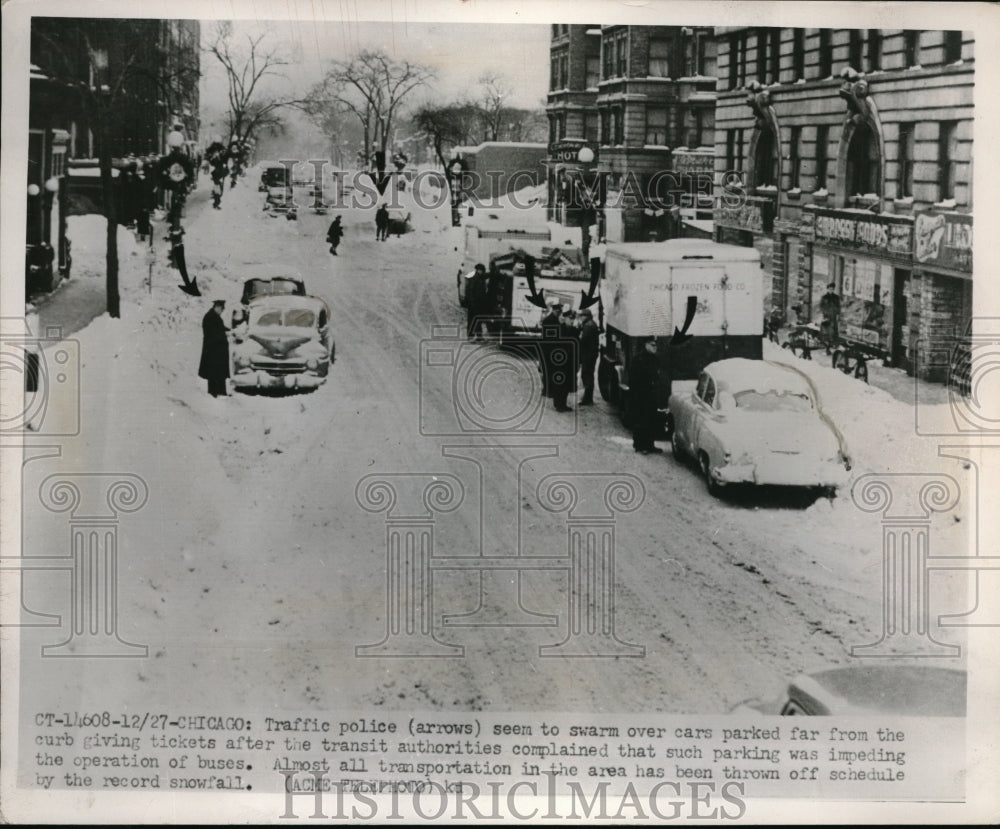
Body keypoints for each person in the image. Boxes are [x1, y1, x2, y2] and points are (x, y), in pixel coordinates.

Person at [630, 339, 663, 454]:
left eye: (656, 345)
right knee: (641, 419)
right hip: (641, 395)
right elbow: (633, 379)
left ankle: (650, 444)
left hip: (651, 394)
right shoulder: (638, 359)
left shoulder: (655, 359)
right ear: (646, 345)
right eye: (653, 345)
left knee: (651, 419)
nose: (655, 347)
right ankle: (640, 445)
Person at [199, 300, 231, 397]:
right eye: (221, 309)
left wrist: (228, 330)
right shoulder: (210, 317)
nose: (222, 311)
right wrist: (225, 334)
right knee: (214, 371)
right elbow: (213, 332)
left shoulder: (213, 316)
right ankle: (214, 392)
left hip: (216, 349)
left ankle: (220, 391)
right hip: (213, 349)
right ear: (217, 307)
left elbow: (219, 328)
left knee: (218, 371)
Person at [577, 308, 599, 406]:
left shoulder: (588, 326)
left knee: (586, 375)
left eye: (582, 316)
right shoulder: (592, 324)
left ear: (585, 316)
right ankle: (588, 398)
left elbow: (583, 341)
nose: (580, 318)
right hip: (591, 355)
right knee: (589, 375)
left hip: (588, 355)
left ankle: (587, 399)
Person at [465, 263, 489, 340]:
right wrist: (472, 302)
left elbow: (486, 275)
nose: (483, 272)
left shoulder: (478, 277)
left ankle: (478, 336)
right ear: (479, 270)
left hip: (477, 303)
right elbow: (470, 291)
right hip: (474, 303)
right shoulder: (475, 278)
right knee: (472, 320)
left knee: (477, 319)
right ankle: (471, 336)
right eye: (482, 270)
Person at [819, 282, 841, 353]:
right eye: (830, 289)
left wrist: (837, 314)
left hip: (833, 317)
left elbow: (838, 306)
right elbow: (821, 306)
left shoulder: (836, 297)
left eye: (832, 289)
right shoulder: (824, 297)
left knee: (833, 332)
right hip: (827, 317)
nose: (831, 290)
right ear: (827, 289)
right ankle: (827, 347)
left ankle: (833, 345)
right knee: (826, 332)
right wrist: (825, 313)